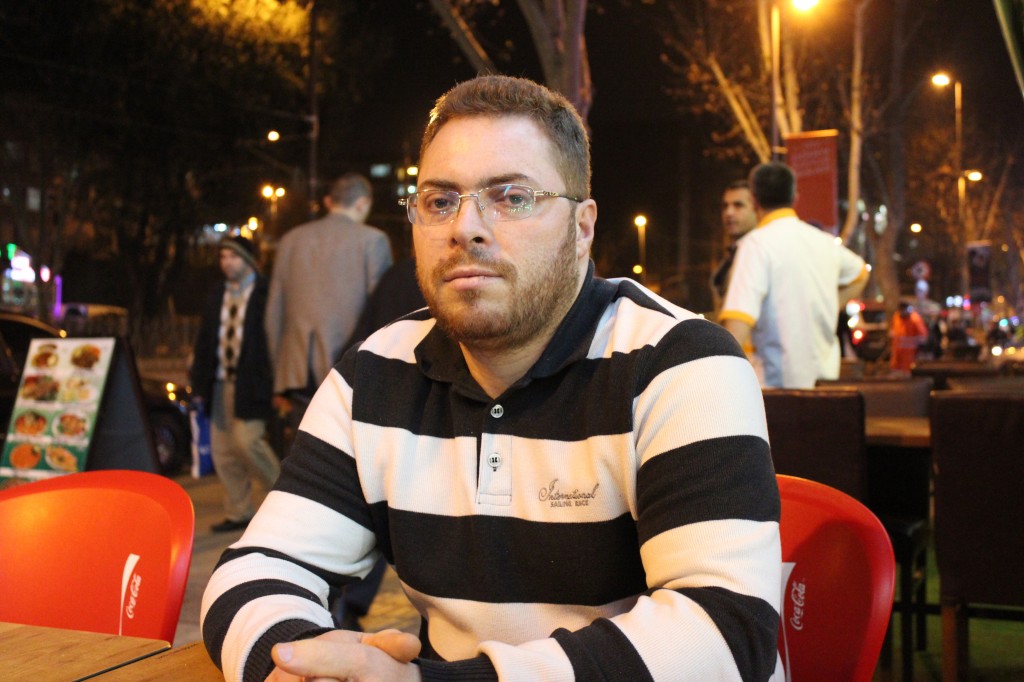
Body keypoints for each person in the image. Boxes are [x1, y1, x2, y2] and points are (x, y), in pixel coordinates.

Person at [202, 75, 781, 682]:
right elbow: (253, 571)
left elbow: (725, 636)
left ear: (582, 229)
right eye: (439, 200)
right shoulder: (375, 374)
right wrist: (298, 664)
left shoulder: (678, 362)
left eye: (512, 196)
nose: (465, 227)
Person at [720, 162, 869, 389]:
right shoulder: (823, 241)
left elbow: (738, 322)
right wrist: (830, 304)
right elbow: (860, 273)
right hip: (825, 388)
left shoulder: (756, 245)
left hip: (776, 391)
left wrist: (719, 379)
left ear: (754, 199)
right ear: (795, 197)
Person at [264, 172, 393, 425]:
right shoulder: (373, 241)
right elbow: (382, 312)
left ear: (327, 202)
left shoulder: (290, 240)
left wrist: (279, 375)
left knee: (302, 453)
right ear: (362, 203)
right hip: (350, 372)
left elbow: (273, 313)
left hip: (296, 372)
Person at [190, 236, 280, 533]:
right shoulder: (218, 293)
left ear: (249, 260)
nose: (227, 262)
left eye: (234, 256)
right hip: (219, 381)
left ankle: (286, 501)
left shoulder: (266, 292)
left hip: (251, 382)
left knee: (247, 441)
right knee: (223, 451)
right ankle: (239, 510)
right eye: (223, 256)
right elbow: (206, 337)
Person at [709, 180, 758, 313]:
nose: (729, 212)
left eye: (738, 205)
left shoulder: (762, 254)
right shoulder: (731, 256)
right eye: (725, 206)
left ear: (757, 209)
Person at [889, 301, 928, 374]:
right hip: (897, 353)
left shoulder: (915, 319)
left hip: (910, 355)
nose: (901, 313)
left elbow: (922, 336)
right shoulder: (897, 316)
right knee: (896, 370)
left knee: (907, 371)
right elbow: (894, 330)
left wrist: (919, 347)